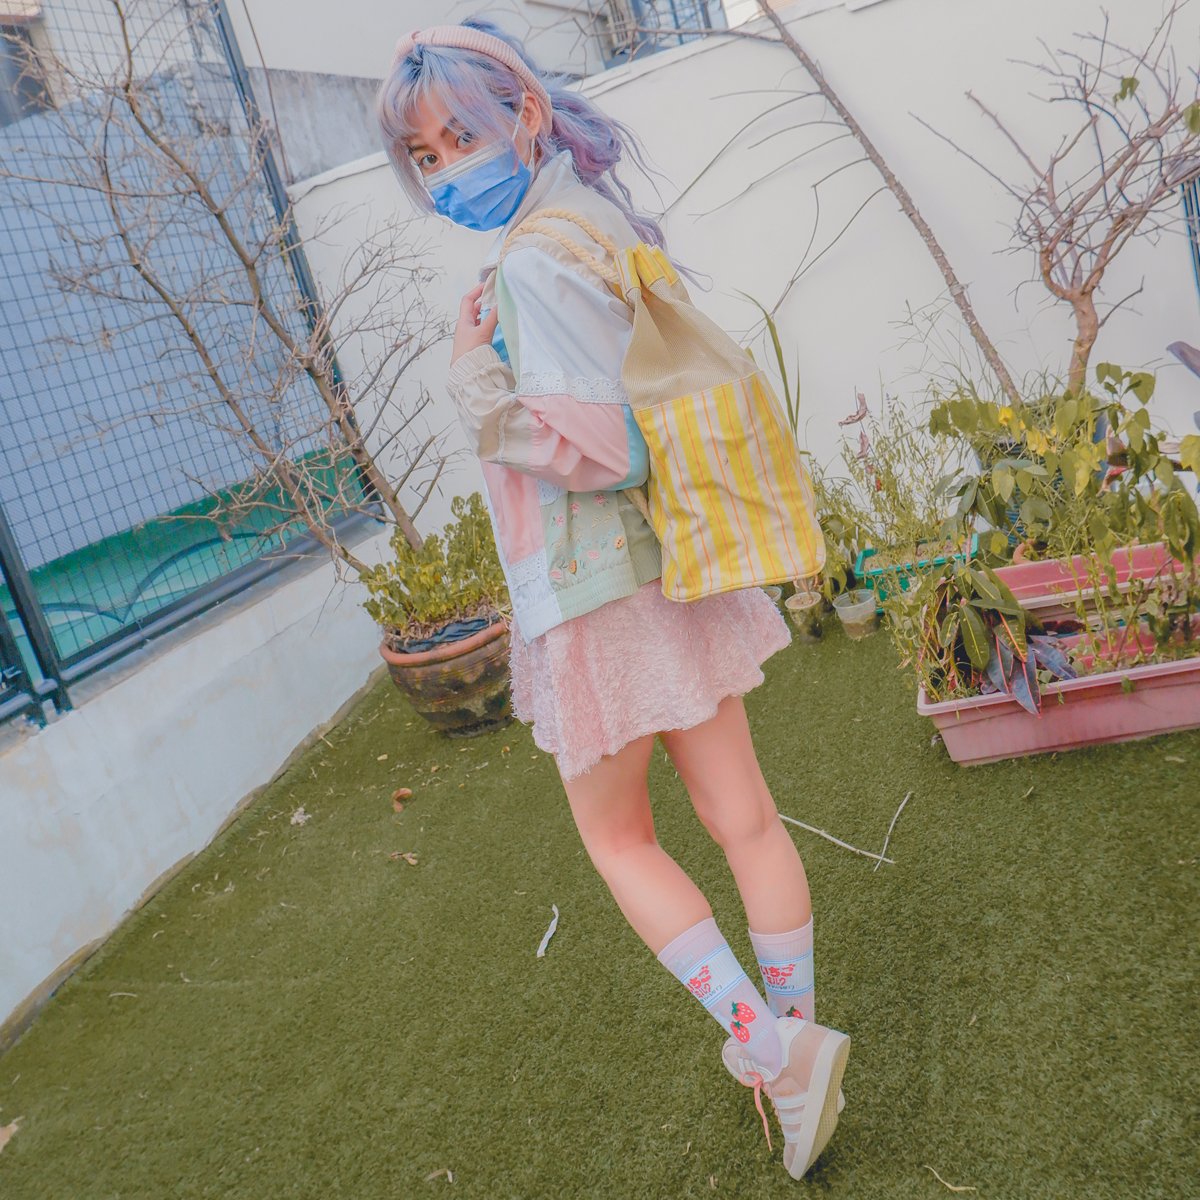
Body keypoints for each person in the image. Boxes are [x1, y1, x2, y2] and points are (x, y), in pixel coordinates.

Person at [377, 20, 850, 1179]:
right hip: (668, 561)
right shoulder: (598, 222)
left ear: (526, 115)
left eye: (459, 138)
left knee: (619, 838)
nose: (444, 172)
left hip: (594, 587)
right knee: (745, 818)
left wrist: (475, 382)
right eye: (424, 156)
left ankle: (773, 1052)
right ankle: (797, 1043)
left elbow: (599, 449)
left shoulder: (533, 263)